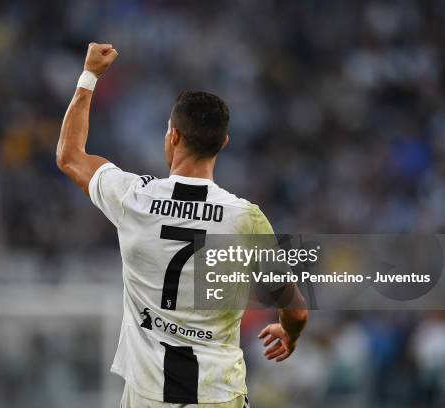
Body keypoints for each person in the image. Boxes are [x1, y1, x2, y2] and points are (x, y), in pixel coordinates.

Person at [56, 42, 308, 408]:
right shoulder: (245, 218)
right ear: (223, 143)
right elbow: (296, 310)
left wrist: (89, 76)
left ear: (173, 136)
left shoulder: (134, 198)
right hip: (217, 396)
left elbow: (69, 155)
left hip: (147, 396)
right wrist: (289, 333)